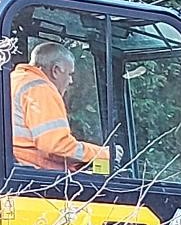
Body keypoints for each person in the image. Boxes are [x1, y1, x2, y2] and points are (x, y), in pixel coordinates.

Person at [7, 41, 110, 173]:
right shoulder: (40, 88)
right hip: (37, 180)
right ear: (56, 70)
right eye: (69, 74)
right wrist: (105, 155)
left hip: (16, 173)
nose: (71, 81)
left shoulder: (3, 84)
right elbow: (56, 146)